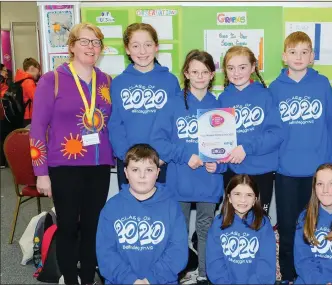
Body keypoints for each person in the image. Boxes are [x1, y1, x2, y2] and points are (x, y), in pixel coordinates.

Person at [30, 22, 114, 285]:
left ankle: (87, 277)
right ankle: (68, 276)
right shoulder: (51, 79)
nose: (91, 47)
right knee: (68, 227)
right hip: (64, 166)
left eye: (96, 42)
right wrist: (41, 173)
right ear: (72, 46)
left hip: (99, 166)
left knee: (92, 227)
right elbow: (37, 129)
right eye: (85, 41)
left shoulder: (106, 81)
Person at [150, 49, 224, 285]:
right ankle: (177, 274)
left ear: (212, 74)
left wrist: (219, 165)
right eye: (194, 71)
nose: (200, 76)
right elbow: (158, 142)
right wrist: (184, 155)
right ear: (186, 73)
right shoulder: (172, 105)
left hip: (209, 181)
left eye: (205, 72)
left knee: (205, 230)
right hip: (180, 180)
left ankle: (203, 274)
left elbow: (228, 146)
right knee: (178, 231)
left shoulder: (219, 106)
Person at [268, 31, 332, 282]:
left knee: (315, 229)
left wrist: (329, 164)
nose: (299, 57)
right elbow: (271, 131)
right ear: (284, 56)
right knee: (287, 229)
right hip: (286, 171)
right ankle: (288, 275)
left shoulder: (322, 84)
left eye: (304, 52)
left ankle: (313, 276)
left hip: (316, 173)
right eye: (293, 52)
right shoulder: (275, 88)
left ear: (312, 57)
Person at [96, 144, 188, 285]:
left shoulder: (172, 207)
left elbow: (178, 252)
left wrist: (150, 280)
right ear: (126, 172)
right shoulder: (111, 207)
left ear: (157, 172)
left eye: (149, 170)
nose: (142, 176)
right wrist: (130, 280)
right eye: (135, 169)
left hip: (162, 281)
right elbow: (105, 253)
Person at [108, 23, 180, 189]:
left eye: (148, 45)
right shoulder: (118, 83)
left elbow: (177, 123)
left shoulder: (170, 81)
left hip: (162, 161)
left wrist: (164, 156)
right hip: (129, 163)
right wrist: (128, 159)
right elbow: (115, 125)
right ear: (127, 49)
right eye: (135, 46)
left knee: (161, 212)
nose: (142, 51)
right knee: (131, 213)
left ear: (156, 47)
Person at [218, 46, 283, 214]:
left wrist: (246, 148)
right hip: (233, 171)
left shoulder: (266, 96)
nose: (236, 73)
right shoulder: (223, 99)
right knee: (232, 221)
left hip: (261, 170)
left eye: (242, 67)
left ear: (253, 67)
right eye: (231, 68)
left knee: (258, 222)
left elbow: (276, 134)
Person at [206, 174, 276, 284]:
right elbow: (214, 261)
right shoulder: (218, 224)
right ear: (229, 197)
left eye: (249, 195)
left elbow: (266, 263)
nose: (243, 200)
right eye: (237, 194)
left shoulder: (263, 224)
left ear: (255, 199)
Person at [14, 57, 41, 126]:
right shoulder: (28, 82)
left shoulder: (21, 80)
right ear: (32, 68)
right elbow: (38, 99)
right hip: (29, 117)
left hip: (24, 116)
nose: (39, 73)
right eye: (38, 70)